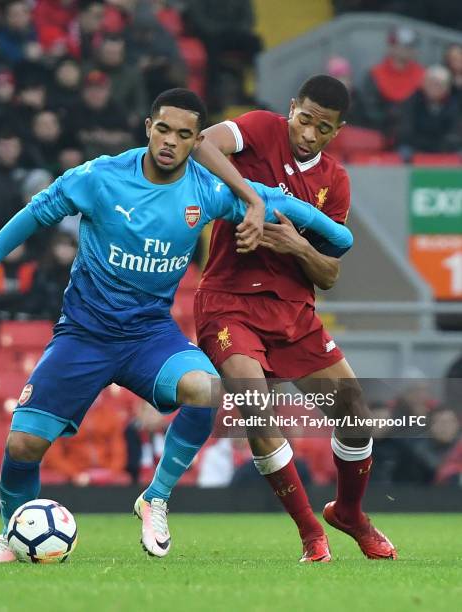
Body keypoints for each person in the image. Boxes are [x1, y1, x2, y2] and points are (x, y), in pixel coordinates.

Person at [0, 88, 352, 564]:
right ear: (147, 127)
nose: (170, 142)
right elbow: (36, 213)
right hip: (84, 334)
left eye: (183, 135)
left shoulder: (208, 189)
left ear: (197, 141)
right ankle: (11, 537)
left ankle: (155, 497)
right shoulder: (100, 177)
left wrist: (324, 235)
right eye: (163, 129)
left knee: (208, 388)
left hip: (149, 336)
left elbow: (328, 229)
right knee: (24, 443)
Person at [192, 75, 397, 562]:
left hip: (293, 312)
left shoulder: (335, 182)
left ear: (337, 131)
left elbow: (328, 273)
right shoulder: (260, 130)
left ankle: (349, 513)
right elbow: (201, 142)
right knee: (256, 408)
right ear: (291, 109)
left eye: (322, 128)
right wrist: (253, 196)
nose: (308, 133)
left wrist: (298, 245)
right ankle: (311, 535)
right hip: (229, 300)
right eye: (304, 119)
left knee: (355, 416)